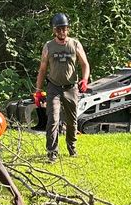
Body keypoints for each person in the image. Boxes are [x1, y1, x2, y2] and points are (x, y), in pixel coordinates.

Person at [33, 13, 90, 163]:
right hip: (54, 87)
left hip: (71, 88)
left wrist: (84, 79)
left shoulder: (75, 44)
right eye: (58, 29)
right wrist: (38, 91)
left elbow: (85, 64)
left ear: (68, 29)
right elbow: (43, 69)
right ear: (54, 30)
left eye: (64, 29)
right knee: (53, 119)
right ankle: (52, 152)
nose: (61, 32)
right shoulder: (48, 46)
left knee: (72, 121)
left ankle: (72, 147)